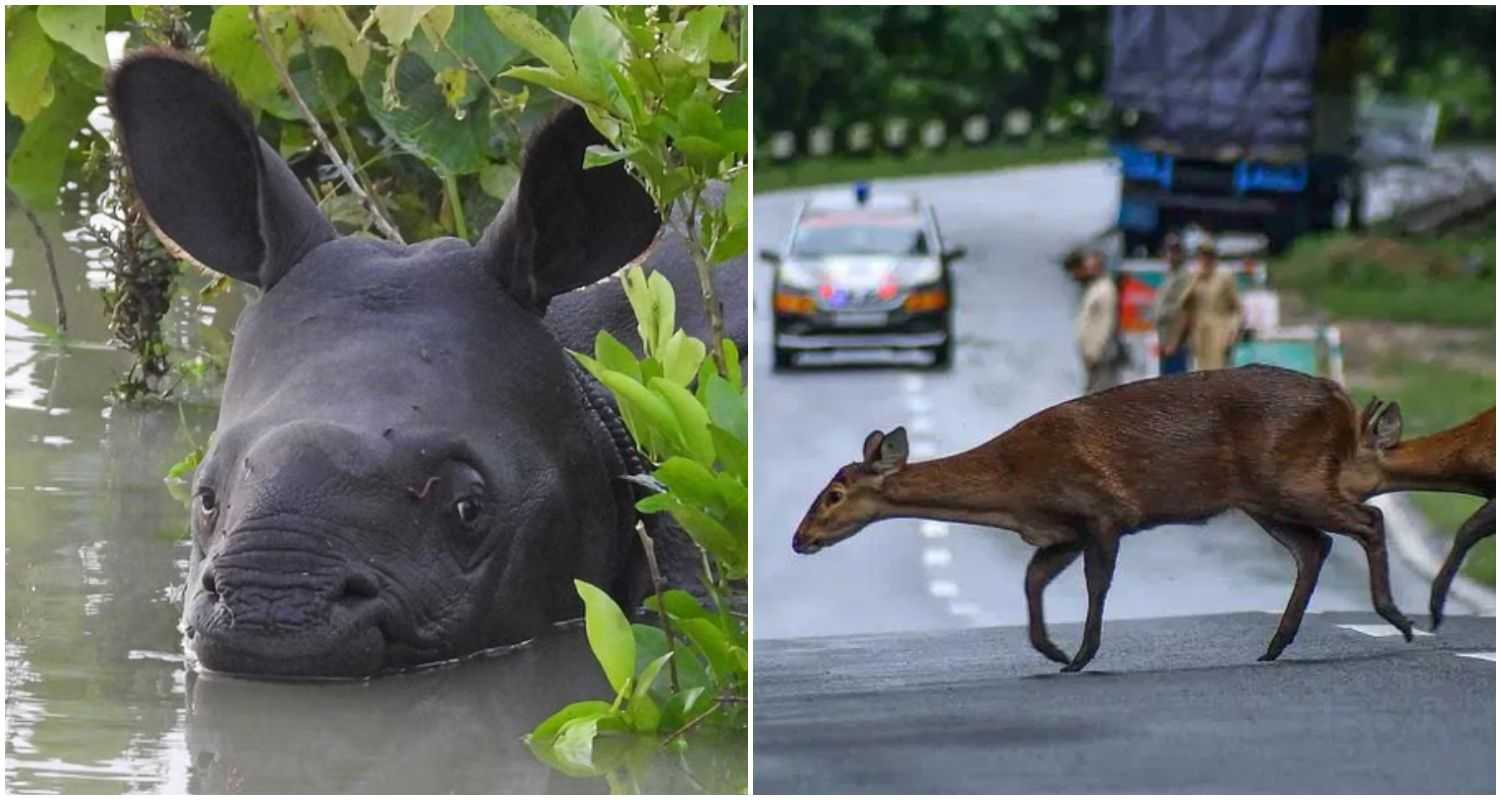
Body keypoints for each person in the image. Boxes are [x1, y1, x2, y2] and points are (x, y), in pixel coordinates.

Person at [1184, 236, 1243, 370]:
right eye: (1202, 255)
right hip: (1199, 335)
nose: (1205, 259)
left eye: (1208, 255)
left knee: (1219, 375)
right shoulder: (1194, 276)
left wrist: (1233, 329)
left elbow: (1237, 308)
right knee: (1201, 375)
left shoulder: (1225, 276)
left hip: (1220, 332)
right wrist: (1195, 280)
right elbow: (1183, 304)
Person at [1068, 250, 1122, 394]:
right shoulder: (1094, 287)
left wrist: (1094, 351)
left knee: (1101, 395)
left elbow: (1106, 322)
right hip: (1093, 354)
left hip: (1102, 353)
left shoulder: (1105, 288)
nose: (1088, 268)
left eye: (1092, 264)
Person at [1152, 233, 1194, 375]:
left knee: (1175, 385)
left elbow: (1184, 311)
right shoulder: (1169, 275)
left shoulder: (1184, 276)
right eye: (1169, 250)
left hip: (1176, 342)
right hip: (1164, 338)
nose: (1172, 254)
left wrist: (1174, 342)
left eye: (1176, 251)